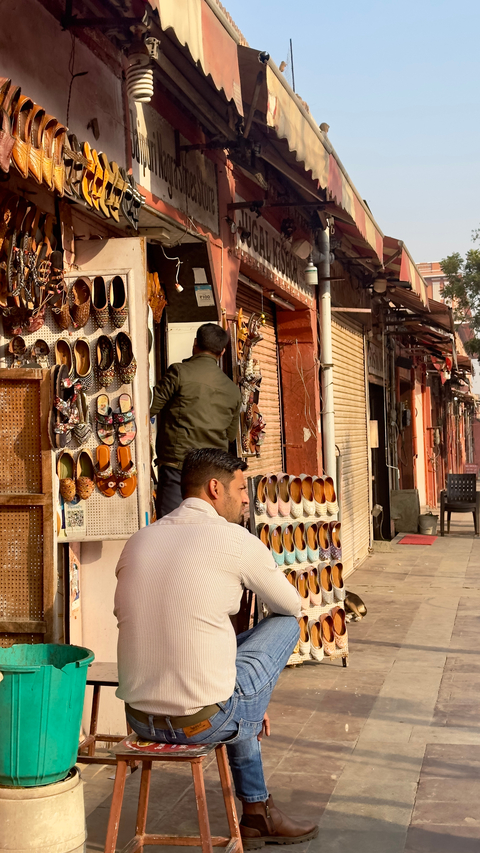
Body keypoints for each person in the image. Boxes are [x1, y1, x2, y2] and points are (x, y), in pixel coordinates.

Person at [114, 448, 318, 848]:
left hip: (139, 717)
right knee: (283, 624)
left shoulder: (139, 539)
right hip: (202, 720)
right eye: (241, 488)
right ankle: (258, 806)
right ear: (214, 489)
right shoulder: (234, 539)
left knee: (221, 665)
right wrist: (255, 702)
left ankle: (258, 814)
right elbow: (291, 604)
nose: (247, 498)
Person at [150, 323, 241, 518]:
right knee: (205, 530)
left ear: (195, 344)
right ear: (222, 352)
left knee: (172, 528)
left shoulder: (179, 372)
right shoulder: (233, 391)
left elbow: (150, 407)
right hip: (212, 475)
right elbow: (231, 436)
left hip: (178, 469)